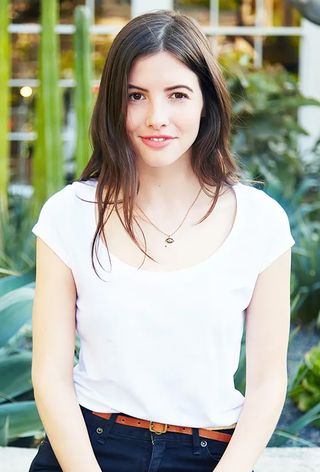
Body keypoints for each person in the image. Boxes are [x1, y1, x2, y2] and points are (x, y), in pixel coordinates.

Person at [28, 9, 295, 472]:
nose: (157, 117)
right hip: (88, 449)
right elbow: (49, 376)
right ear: (114, 103)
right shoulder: (69, 215)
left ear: (206, 102)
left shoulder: (260, 223)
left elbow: (269, 380)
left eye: (177, 94)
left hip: (212, 456)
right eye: (136, 96)